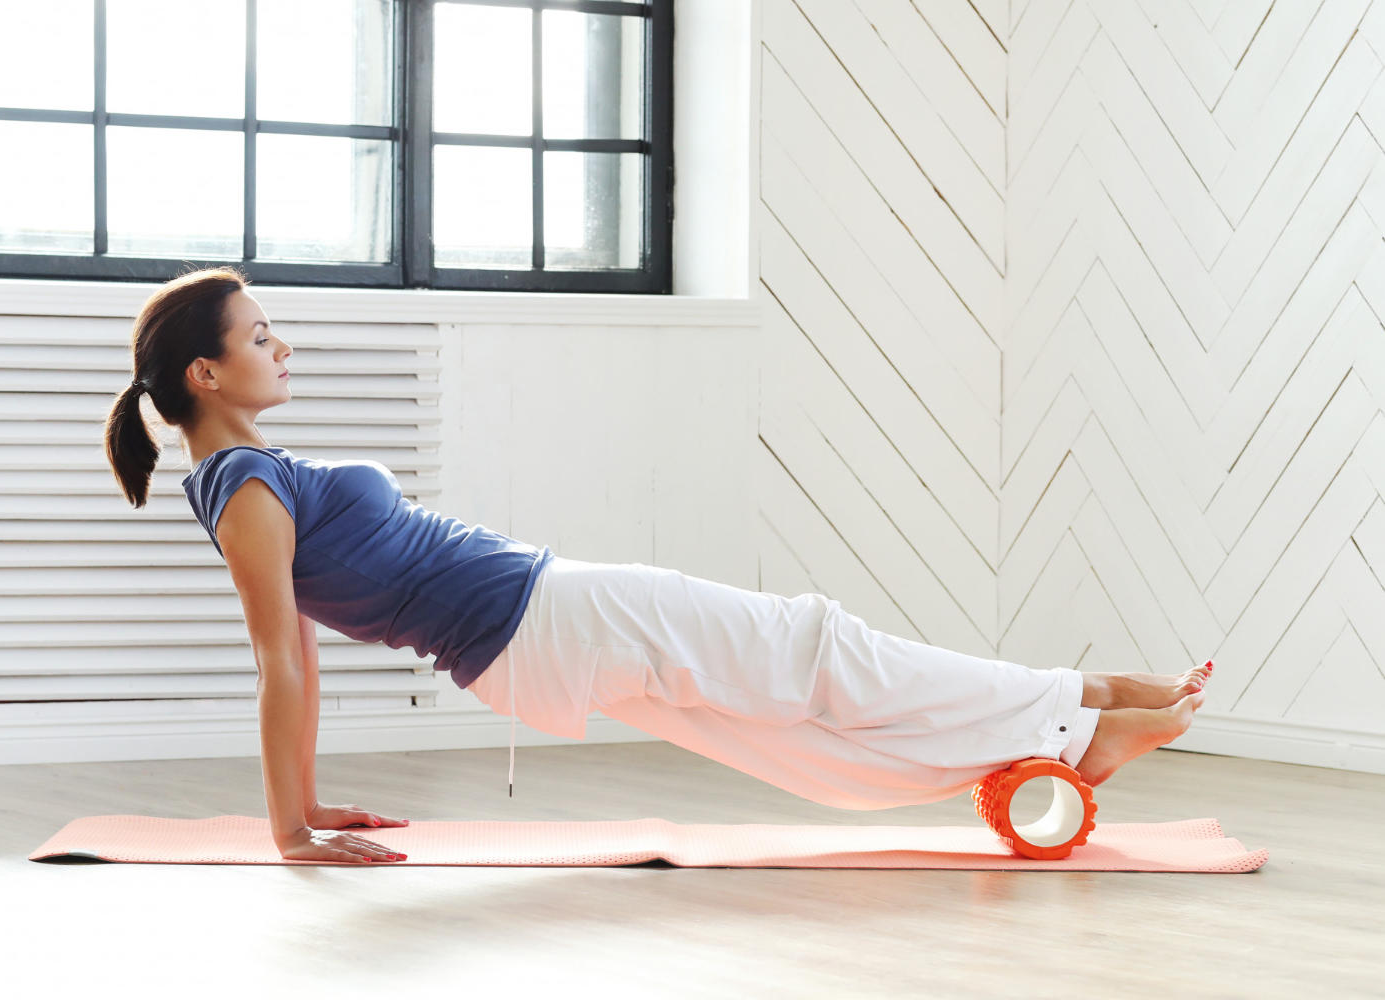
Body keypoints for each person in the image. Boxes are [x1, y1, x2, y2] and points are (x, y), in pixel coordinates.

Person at [105, 266, 1211, 866]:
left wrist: (305, 803)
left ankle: (1052, 737)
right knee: (812, 647)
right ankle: (1082, 702)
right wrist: (292, 832)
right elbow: (279, 663)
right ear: (206, 372)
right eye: (260, 336)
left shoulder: (250, 481)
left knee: (783, 720)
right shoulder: (247, 490)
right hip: (545, 619)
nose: (282, 345)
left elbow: (293, 646)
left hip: (533, 636)